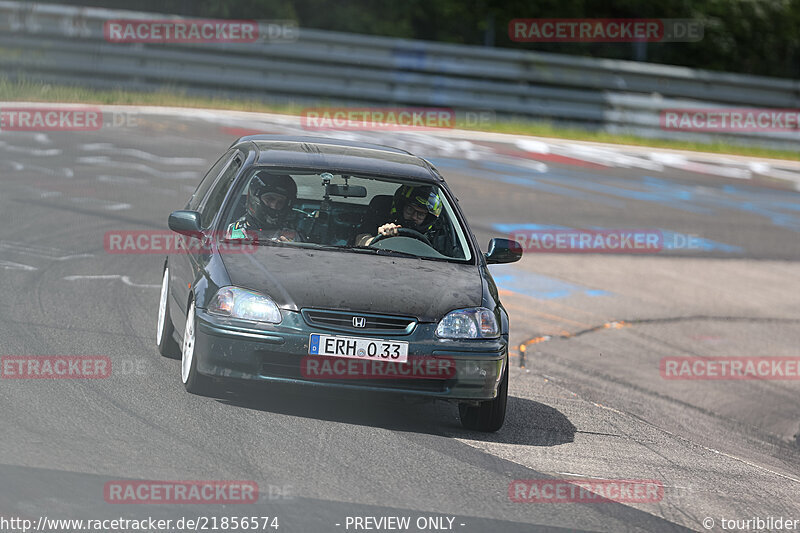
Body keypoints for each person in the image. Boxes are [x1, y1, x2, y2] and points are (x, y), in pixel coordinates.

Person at [355, 184, 450, 252]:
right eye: (409, 209)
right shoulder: (381, 216)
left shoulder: (437, 234)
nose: (413, 216)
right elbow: (360, 241)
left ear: (427, 218)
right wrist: (380, 238)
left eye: (420, 214)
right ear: (401, 207)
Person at [226, 172, 303, 242]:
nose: (274, 206)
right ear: (255, 199)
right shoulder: (236, 230)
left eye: (280, 202)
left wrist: (291, 249)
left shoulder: (290, 234)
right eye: (269, 199)